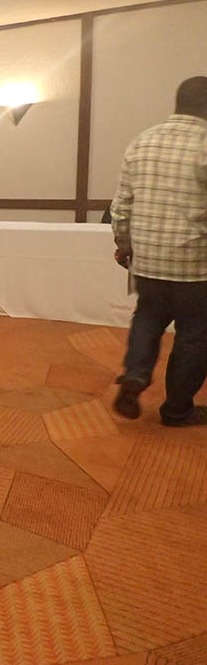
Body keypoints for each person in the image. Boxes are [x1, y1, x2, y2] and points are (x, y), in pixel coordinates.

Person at [110, 76, 207, 426]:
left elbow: (121, 206)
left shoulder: (142, 142)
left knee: (147, 318)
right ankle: (177, 410)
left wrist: (124, 247)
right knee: (195, 336)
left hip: (149, 262)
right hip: (197, 266)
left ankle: (135, 374)